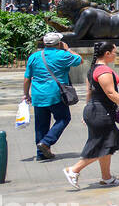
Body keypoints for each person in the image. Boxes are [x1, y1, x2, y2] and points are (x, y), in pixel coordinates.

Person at [63, 41, 119, 190]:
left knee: (107, 144)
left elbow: (89, 93)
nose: (116, 55)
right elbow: (111, 92)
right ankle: (74, 170)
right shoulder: (103, 71)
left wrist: (87, 111)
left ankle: (107, 178)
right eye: (115, 52)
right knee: (103, 145)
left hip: (95, 110)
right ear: (107, 54)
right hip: (101, 111)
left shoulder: (92, 70)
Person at [22, 32, 82, 160]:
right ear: (59, 43)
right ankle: (47, 142)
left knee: (40, 125)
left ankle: (41, 153)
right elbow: (79, 60)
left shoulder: (34, 56)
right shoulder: (63, 55)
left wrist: (26, 94)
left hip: (38, 94)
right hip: (56, 94)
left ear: (44, 43)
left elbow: (27, 78)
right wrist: (68, 49)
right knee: (63, 118)